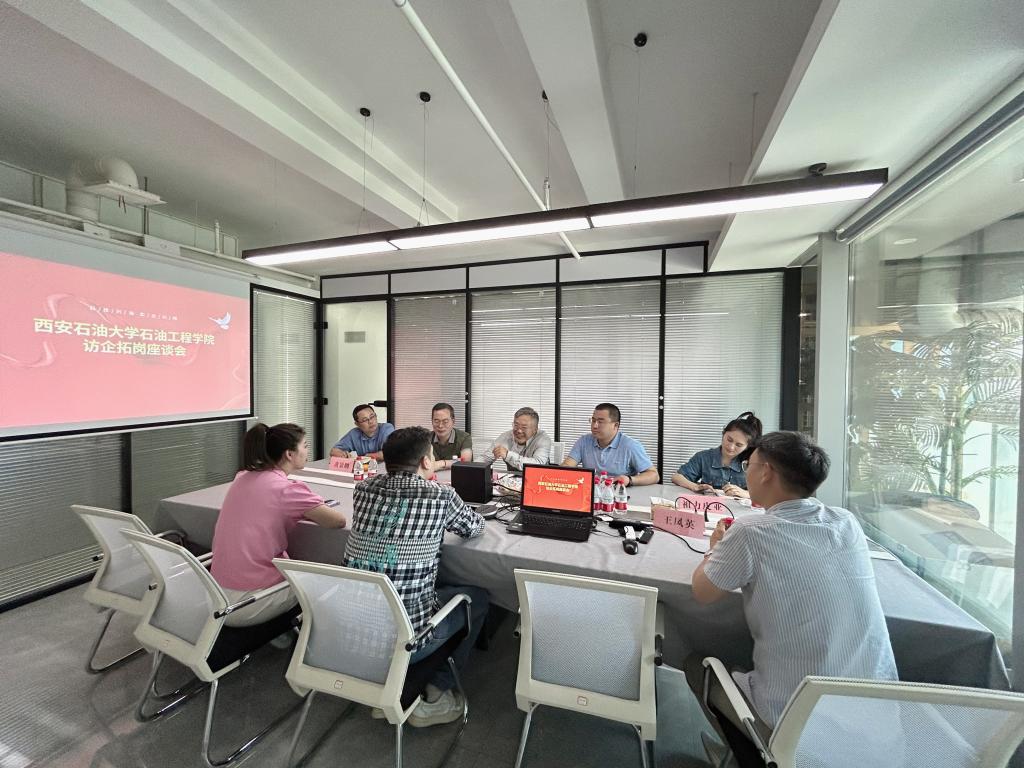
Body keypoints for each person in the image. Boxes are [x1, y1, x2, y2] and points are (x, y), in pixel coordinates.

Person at [687, 431, 897, 765]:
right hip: (878, 729)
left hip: (796, 729)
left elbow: (703, 591)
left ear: (766, 472)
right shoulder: (847, 523)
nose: (745, 471)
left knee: (696, 663)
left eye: (749, 464)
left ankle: (752, 757)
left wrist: (715, 550)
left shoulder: (751, 531)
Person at [343, 426, 488, 727]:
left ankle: (395, 683)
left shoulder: (363, 489)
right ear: (426, 461)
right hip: (407, 639)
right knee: (476, 597)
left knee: (433, 584)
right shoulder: (440, 496)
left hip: (351, 631)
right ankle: (435, 692)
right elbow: (474, 527)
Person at [211, 423, 347, 627]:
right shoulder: (287, 490)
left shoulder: (242, 477)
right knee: (328, 579)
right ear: (289, 454)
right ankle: (309, 636)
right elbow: (338, 521)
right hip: (250, 601)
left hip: (215, 594)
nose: (308, 451)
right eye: (305, 446)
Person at [562, 403, 659, 486]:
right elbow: (566, 466)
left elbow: (654, 475)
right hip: (591, 493)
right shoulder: (584, 441)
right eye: (593, 420)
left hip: (621, 494)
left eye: (600, 422)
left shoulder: (630, 446)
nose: (594, 426)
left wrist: (630, 480)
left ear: (616, 425)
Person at [672, 412, 762, 498]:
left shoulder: (752, 463)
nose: (731, 447)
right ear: (723, 434)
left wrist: (745, 493)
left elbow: (764, 493)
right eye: (729, 440)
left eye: (739, 445)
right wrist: (695, 486)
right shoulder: (704, 457)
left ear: (747, 447)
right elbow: (676, 477)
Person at [330, 403, 395, 460]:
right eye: (365, 420)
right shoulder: (354, 434)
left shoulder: (387, 428)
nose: (370, 421)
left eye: (372, 416)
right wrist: (342, 455)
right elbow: (334, 451)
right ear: (357, 424)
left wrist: (367, 457)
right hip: (365, 469)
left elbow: (389, 453)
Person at [429, 402, 473, 470]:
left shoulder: (465, 437)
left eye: (445, 421)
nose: (440, 426)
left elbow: (465, 461)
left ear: (453, 422)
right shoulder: (426, 438)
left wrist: (441, 463)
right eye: (436, 421)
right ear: (432, 421)